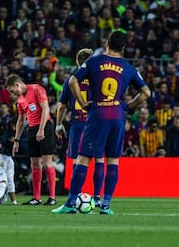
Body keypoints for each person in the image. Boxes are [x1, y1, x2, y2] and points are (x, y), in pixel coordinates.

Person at [52, 31, 151, 215]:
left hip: (98, 114)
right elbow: (146, 92)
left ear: (106, 44)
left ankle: (70, 203)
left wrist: (82, 103)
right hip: (117, 116)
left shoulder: (94, 61)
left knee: (82, 159)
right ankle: (105, 205)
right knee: (112, 161)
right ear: (123, 47)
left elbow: (73, 81)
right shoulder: (128, 67)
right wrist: (127, 107)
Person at [55, 48, 105, 207]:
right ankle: (97, 197)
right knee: (98, 159)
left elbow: (62, 106)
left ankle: (74, 196)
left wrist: (58, 124)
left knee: (78, 161)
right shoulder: (99, 79)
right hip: (96, 123)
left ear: (77, 62)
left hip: (78, 123)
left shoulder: (71, 80)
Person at [5, 74, 57, 206]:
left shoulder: (36, 89)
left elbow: (45, 108)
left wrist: (41, 129)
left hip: (45, 126)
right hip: (32, 130)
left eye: (12, 90)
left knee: (47, 163)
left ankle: (52, 197)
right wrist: (16, 140)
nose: (13, 94)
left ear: (17, 84)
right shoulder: (20, 100)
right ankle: (36, 198)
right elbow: (21, 120)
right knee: (34, 164)